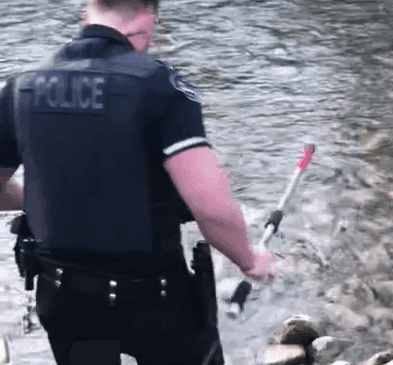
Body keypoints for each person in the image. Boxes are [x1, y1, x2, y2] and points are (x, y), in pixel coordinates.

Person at [0, 0, 277, 364]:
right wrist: (248, 260)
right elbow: (210, 208)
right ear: (146, 23)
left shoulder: (20, 88)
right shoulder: (160, 86)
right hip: (153, 303)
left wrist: (44, 196)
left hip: (63, 297)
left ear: (88, 13)